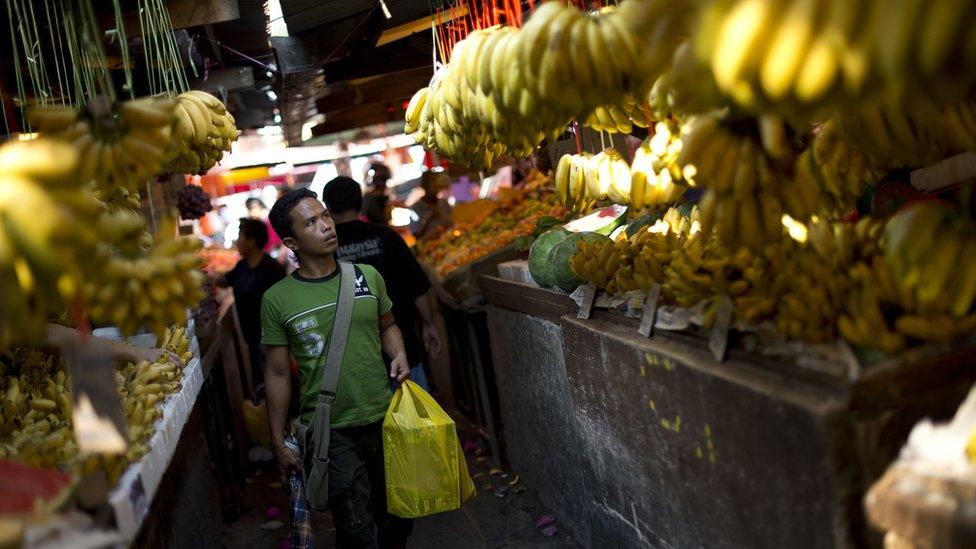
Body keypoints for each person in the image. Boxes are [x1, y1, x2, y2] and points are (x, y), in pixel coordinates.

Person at [261, 188, 413, 548]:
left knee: (398, 521)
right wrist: (278, 440)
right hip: (332, 432)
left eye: (325, 216)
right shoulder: (277, 300)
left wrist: (399, 352)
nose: (326, 226)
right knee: (356, 528)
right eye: (311, 222)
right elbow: (278, 373)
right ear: (290, 241)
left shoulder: (366, 276)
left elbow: (387, 324)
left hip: (383, 417)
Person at [322, 176, 443, 391]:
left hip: (353, 359)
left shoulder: (325, 250)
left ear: (328, 208)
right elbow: (416, 285)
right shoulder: (386, 236)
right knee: (415, 418)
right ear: (359, 202)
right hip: (402, 347)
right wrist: (429, 323)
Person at [212, 218, 286, 389]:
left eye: (240, 236)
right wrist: (208, 278)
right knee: (261, 382)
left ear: (252, 240)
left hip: (272, 340)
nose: (237, 241)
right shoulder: (242, 266)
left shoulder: (272, 268)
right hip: (252, 338)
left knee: (275, 382)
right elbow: (225, 281)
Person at [410, 170, 453, 239]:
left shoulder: (444, 203)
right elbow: (416, 236)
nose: (435, 188)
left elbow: (451, 223)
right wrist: (428, 220)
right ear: (424, 186)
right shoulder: (416, 208)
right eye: (431, 184)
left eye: (436, 184)